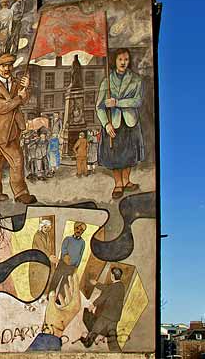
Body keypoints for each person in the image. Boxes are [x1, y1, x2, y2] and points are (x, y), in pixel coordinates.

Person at [0, 53, 37, 204]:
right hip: (2, 132)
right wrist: (19, 98)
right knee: (17, 159)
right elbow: (3, 107)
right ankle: (21, 194)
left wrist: (26, 88)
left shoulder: (15, 83)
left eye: (9, 65)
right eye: (3, 66)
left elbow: (24, 100)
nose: (6, 69)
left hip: (14, 129)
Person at [95, 48, 145, 199]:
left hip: (130, 122)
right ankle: (118, 184)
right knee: (114, 155)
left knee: (130, 153)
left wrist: (117, 102)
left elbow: (137, 101)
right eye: (120, 59)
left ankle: (126, 181)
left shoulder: (136, 80)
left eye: (126, 59)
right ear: (115, 61)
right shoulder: (107, 81)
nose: (123, 62)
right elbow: (99, 107)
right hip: (113, 124)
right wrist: (106, 124)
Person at [80, 267, 126, 352]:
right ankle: (117, 353)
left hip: (106, 316)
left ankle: (87, 342)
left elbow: (103, 297)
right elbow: (107, 289)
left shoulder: (113, 287)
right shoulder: (121, 286)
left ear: (112, 276)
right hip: (115, 317)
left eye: (111, 274)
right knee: (112, 337)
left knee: (95, 330)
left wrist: (93, 305)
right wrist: (96, 283)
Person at [47, 222, 86, 301]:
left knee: (65, 284)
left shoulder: (83, 242)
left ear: (83, 232)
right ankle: (49, 296)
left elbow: (80, 255)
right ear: (74, 228)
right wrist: (65, 256)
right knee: (55, 280)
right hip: (63, 264)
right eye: (77, 228)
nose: (78, 230)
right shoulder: (67, 238)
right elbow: (63, 248)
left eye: (81, 230)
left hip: (72, 267)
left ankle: (59, 300)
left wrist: (76, 266)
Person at [29, 219, 55, 297]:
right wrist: (50, 256)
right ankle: (38, 296)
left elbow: (49, 248)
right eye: (45, 227)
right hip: (38, 261)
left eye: (48, 227)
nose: (47, 229)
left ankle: (45, 294)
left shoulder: (47, 235)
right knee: (39, 279)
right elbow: (41, 248)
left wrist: (52, 256)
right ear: (41, 227)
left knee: (48, 276)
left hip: (45, 260)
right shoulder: (37, 236)